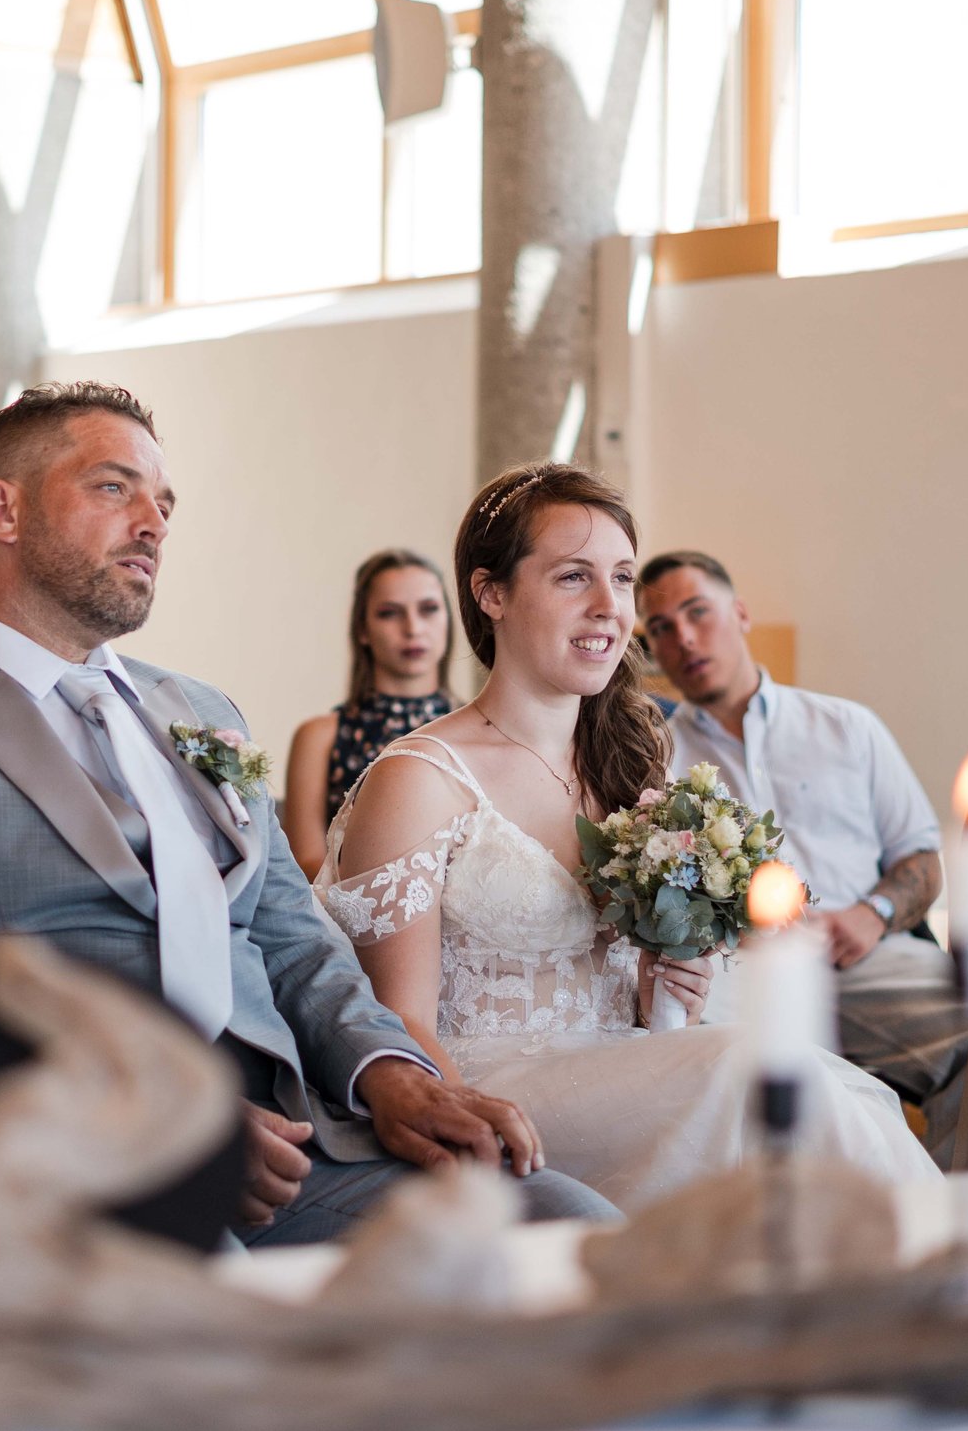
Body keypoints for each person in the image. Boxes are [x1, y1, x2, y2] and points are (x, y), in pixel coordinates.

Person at [0, 383, 614, 1271]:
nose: (154, 523)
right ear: (1, 507)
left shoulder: (200, 711)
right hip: (47, 1174)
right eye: (113, 488)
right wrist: (164, 1126)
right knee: (237, 1323)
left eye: (164, 503)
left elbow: (295, 941)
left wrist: (393, 1074)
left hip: (297, 1152)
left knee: (569, 1230)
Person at [319, 464, 936, 1208]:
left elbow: (621, 997)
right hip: (498, 1095)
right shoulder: (419, 777)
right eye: (574, 577)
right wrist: (469, 1135)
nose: (611, 608)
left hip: (637, 1070)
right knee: (745, 1072)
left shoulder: (634, 771)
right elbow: (398, 1018)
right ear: (491, 593)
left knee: (777, 1071)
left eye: (621, 578)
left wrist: (661, 992)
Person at [636, 551, 968, 1167]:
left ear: (739, 615)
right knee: (713, 1072)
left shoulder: (847, 726)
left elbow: (922, 859)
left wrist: (871, 915)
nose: (682, 637)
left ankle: (957, 1212)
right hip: (739, 977)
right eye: (660, 628)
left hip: (864, 956)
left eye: (697, 613)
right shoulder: (654, 761)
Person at [283, 550, 457, 880]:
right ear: (362, 629)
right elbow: (305, 867)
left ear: (449, 619)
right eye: (390, 613)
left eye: (429, 609)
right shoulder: (320, 737)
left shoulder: (485, 727)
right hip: (351, 922)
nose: (413, 627)